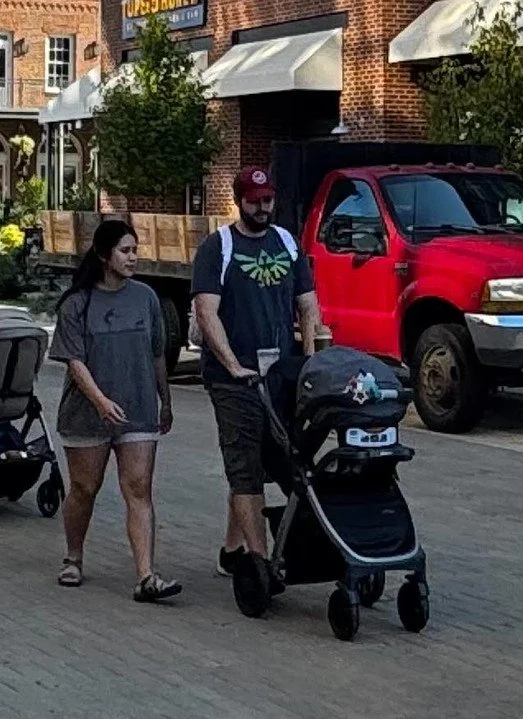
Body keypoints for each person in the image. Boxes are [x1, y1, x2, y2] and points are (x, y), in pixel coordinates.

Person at [191, 165, 322, 616]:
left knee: (279, 458)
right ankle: (261, 562)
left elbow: (307, 305)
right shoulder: (218, 248)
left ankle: (233, 549)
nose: (262, 208)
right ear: (239, 200)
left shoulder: (287, 243)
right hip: (234, 380)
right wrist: (232, 365)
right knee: (244, 464)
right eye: (254, 201)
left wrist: (309, 361)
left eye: (268, 200)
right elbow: (207, 313)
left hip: (281, 376)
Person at [50, 219, 178, 602]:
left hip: (137, 408)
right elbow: (74, 360)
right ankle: (73, 556)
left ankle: (146, 575)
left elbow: (157, 352)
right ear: (105, 256)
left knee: (138, 488)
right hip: (88, 413)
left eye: (135, 250)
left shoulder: (146, 298)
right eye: (125, 251)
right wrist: (101, 401)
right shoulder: (77, 303)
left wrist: (165, 399)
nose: (133, 257)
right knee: (85, 488)